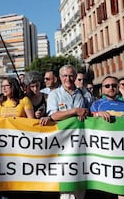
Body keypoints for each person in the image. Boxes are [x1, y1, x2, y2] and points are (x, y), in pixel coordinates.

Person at [40, 64, 91, 199]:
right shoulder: (54, 94)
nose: (68, 78)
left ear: (75, 77)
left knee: (80, 185)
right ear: (60, 78)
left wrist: (85, 112)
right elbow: (53, 116)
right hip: (63, 145)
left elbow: (91, 113)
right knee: (67, 187)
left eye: (71, 75)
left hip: (81, 145)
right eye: (65, 76)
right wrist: (75, 111)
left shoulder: (85, 94)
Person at [90, 76, 124, 199]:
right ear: (102, 89)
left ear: (118, 87)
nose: (111, 88)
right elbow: (87, 121)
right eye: (107, 86)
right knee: (105, 189)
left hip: (123, 150)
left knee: (123, 189)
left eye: (114, 85)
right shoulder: (96, 104)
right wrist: (96, 114)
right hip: (104, 152)